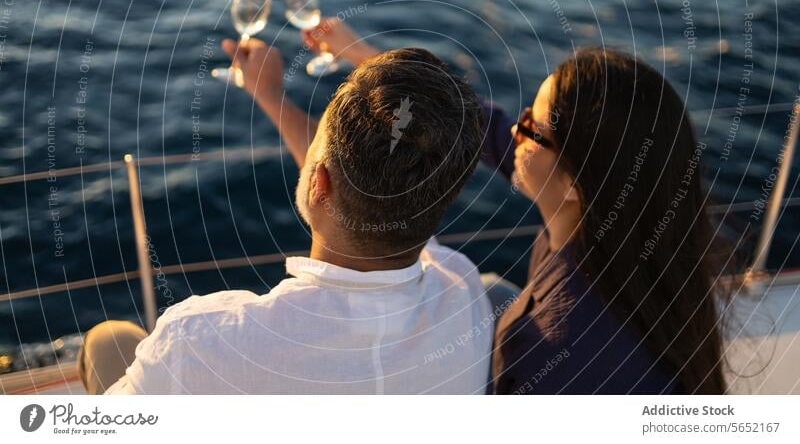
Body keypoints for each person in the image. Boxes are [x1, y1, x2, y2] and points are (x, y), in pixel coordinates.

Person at [309, 20, 729, 394]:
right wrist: (365, 59)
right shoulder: (622, 225)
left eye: (532, 129)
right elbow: (485, 127)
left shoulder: (554, 353)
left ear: (572, 182)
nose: (515, 127)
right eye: (527, 111)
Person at [79, 41, 492, 394]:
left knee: (108, 340)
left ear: (318, 183)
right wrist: (269, 95)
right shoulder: (463, 291)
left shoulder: (199, 344)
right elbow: (376, 176)